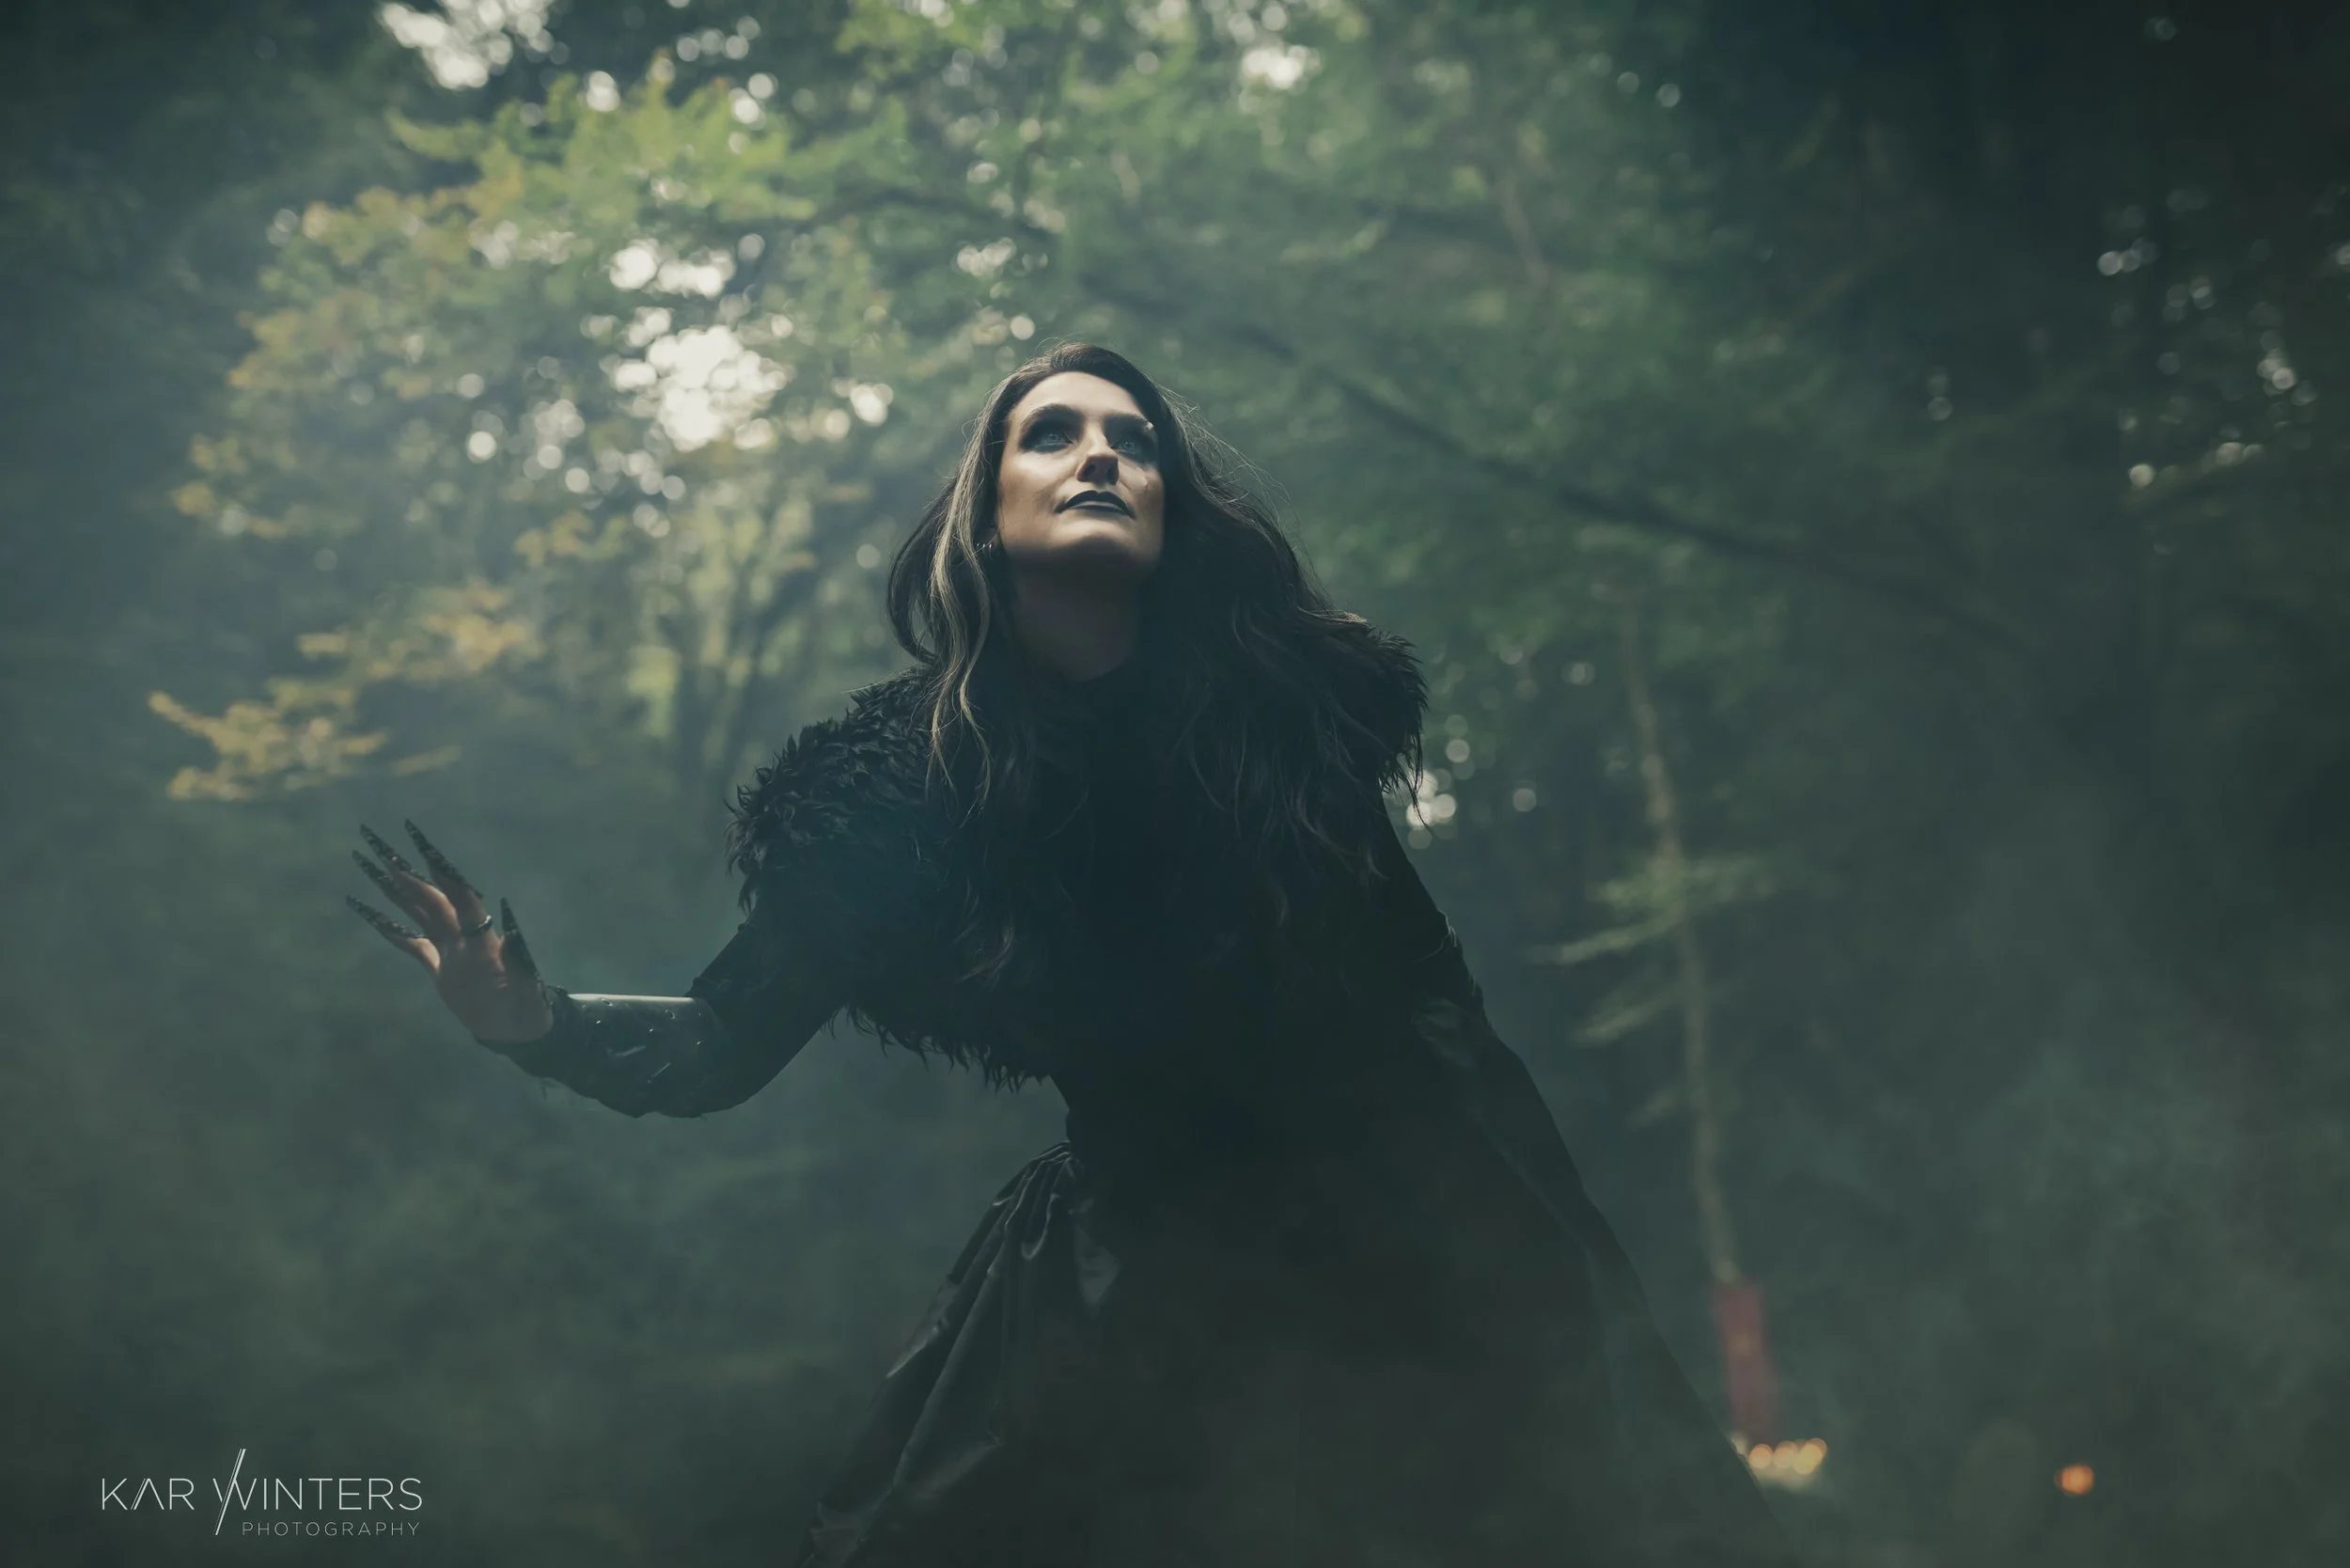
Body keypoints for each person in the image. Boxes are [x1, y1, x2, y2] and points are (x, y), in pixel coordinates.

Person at [347, 343, 1801, 1567]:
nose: (1101, 455)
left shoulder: (1280, 738)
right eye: (1053, 434)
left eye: (1135, 442)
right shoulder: (888, 790)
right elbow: (726, 1040)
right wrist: (527, 1018)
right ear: (987, 512)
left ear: (1174, 509)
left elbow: (1441, 1020)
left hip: (1394, 1275)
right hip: (1127, 1301)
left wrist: (1539, 1286)